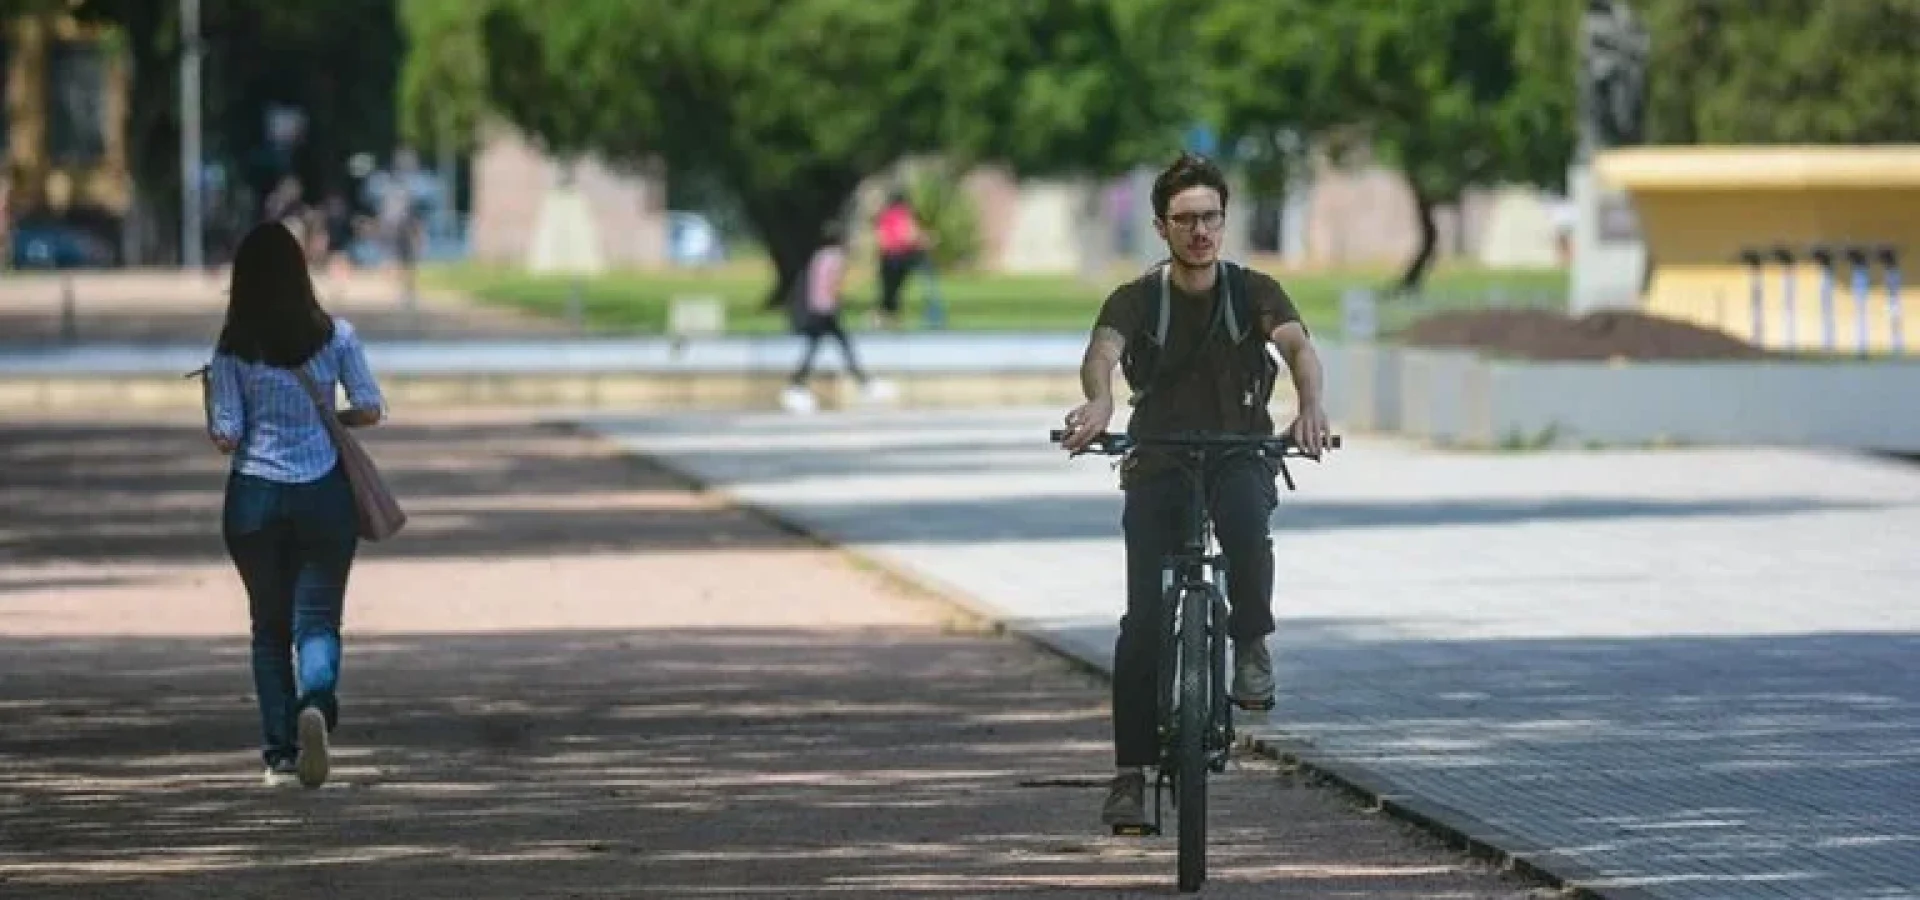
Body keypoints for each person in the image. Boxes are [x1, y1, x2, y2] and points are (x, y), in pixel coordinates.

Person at [1058, 152, 1331, 829]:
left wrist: (1310, 407)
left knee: (1245, 531)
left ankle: (1251, 642)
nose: (1200, 231)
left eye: (1211, 217)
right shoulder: (1136, 298)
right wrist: (1098, 406)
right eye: (1185, 220)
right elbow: (1101, 355)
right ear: (1161, 227)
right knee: (1141, 623)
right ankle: (1129, 773)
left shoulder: (1255, 291)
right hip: (1158, 459)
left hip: (1238, 452)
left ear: (1225, 220)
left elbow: (1299, 348)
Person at [203, 221, 386, 789]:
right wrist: (332, 418)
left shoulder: (233, 350)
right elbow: (371, 407)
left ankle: (280, 754)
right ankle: (316, 703)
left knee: (267, 628)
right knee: (318, 620)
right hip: (323, 493)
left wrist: (213, 406)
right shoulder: (337, 338)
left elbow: (228, 434)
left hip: (255, 497)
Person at [782, 222, 892, 413]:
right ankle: (797, 386)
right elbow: (834, 285)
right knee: (834, 348)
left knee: (832, 347)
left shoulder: (818, 256)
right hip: (825, 312)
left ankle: (862, 383)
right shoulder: (835, 257)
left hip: (817, 310)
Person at [872, 190, 932, 329]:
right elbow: (910, 234)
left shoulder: (885, 215)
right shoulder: (904, 214)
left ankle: (885, 315)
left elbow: (880, 235)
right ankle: (889, 316)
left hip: (887, 254)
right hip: (900, 255)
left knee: (888, 287)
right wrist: (923, 240)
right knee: (895, 287)